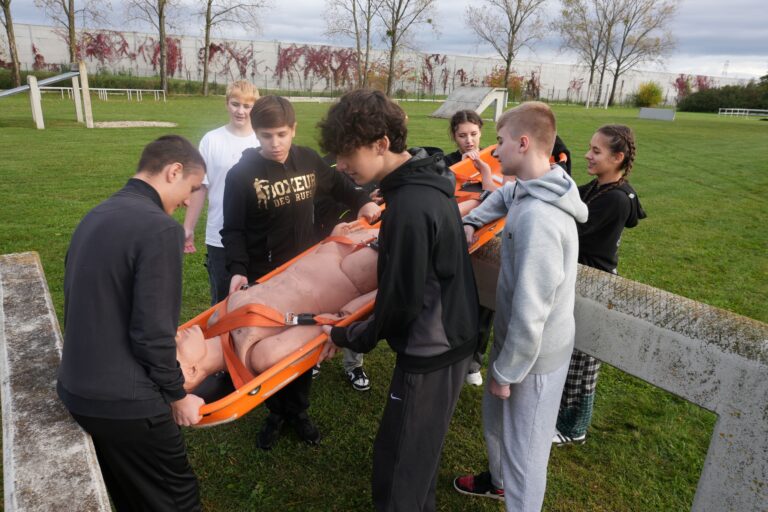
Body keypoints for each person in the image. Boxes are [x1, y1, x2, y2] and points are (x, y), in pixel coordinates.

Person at [317, 89, 479, 512]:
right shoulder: (424, 177)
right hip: (448, 338)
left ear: (382, 144)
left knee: (399, 473)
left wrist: (349, 334)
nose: (340, 165)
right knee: (412, 457)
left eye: (347, 153)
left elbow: (402, 302)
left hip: (433, 349)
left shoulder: (410, 203)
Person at [221, 94, 380, 450]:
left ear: (293, 129)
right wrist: (237, 269)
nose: (274, 143)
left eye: (281, 134)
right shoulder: (241, 175)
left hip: (308, 268)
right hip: (267, 278)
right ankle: (276, 412)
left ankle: (299, 412)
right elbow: (231, 230)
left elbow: (340, 185)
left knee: (302, 344)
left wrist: (361, 201)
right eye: (265, 136)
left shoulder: (307, 160)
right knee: (268, 350)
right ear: (255, 134)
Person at [57, 135, 207, 511]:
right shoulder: (161, 229)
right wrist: (178, 395)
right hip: (126, 405)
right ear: (174, 171)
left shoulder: (97, 214)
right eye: (190, 188)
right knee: (178, 498)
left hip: (77, 389)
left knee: (133, 493)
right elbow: (151, 334)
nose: (189, 201)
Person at [453, 102, 588, 512]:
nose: (494, 152)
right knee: (495, 421)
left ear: (524, 143)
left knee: (525, 456)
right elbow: (508, 193)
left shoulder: (539, 221)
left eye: (501, 143)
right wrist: (474, 219)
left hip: (535, 358)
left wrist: (507, 373)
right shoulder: (540, 181)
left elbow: (534, 312)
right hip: (515, 346)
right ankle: (497, 483)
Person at [177, 221, 378, 391]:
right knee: (405, 226)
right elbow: (330, 324)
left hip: (331, 248)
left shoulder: (215, 320)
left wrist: (329, 243)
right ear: (191, 371)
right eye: (174, 347)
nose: (175, 335)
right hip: (349, 276)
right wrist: (382, 295)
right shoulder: (260, 356)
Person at [553, 124, 646, 446]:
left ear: (617, 157)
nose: (588, 156)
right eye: (589, 148)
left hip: (596, 284)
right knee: (569, 350)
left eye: (596, 151)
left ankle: (573, 427)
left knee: (583, 358)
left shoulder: (616, 200)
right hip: (580, 278)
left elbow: (571, 230)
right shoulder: (598, 188)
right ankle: (560, 415)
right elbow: (565, 195)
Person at [183, 80, 260, 305]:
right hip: (220, 237)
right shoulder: (211, 140)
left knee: (256, 303)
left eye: (247, 106)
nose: (241, 111)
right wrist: (188, 227)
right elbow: (201, 187)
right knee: (222, 304)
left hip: (257, 236)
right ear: (227, 104)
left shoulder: (262, 139)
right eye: (235, 104)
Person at [443, 109, 497, 387]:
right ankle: (450, 355)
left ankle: (474, 361)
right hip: (455, 243)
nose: (469, 141)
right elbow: (440, 197)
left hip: (485, 243)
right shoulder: (446, 162)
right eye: (462, 135)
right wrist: (459, 171)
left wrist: (483, 170)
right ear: (454, 136)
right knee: (455, 303)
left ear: (481, 133)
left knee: (483, 305)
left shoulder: (494, 158)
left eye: (474, 134)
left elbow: (497, 197)